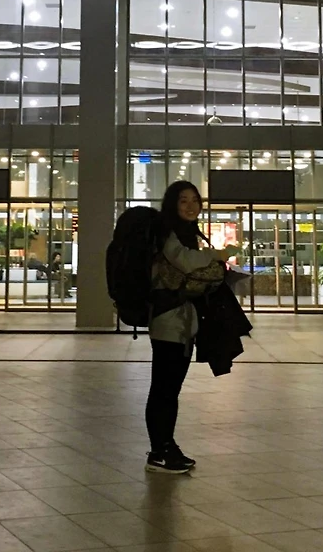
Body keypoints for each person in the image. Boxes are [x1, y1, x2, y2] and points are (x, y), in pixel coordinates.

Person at [145, 180, 239, 475]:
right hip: (169, 321)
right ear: (172, 203)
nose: (190, 206)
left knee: (170, 389)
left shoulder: (187, 233)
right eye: (183, 200)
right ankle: (159, 452)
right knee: (164, 389)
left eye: (195, 200)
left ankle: (167, 446)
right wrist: (217, 255)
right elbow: (185, 262)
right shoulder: (167, 232)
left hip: (183, 322)